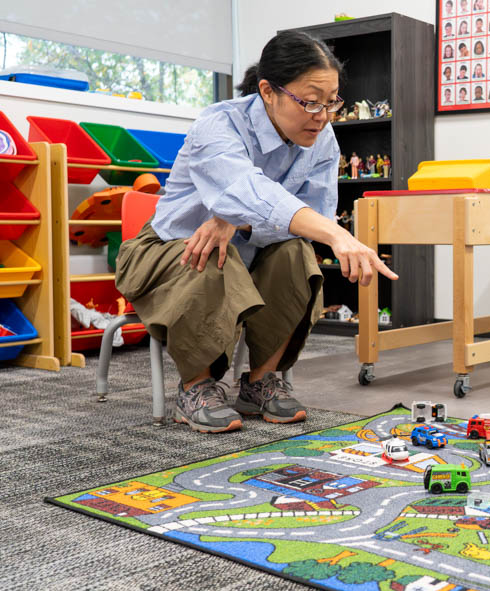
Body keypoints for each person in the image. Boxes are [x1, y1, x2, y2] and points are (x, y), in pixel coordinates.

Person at [116, 30, 398, 434]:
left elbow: (307, 215)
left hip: (249, 252)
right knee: (214, 250)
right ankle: (197, 386)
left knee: (296, 253)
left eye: (331, 101)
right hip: (167, 251)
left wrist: (237, 218)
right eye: (310, 101)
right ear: (268, 91)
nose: (322, 115)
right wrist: (335, 235)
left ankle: (260, 381)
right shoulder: (217, 124)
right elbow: (246, 188)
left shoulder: (322, 139)